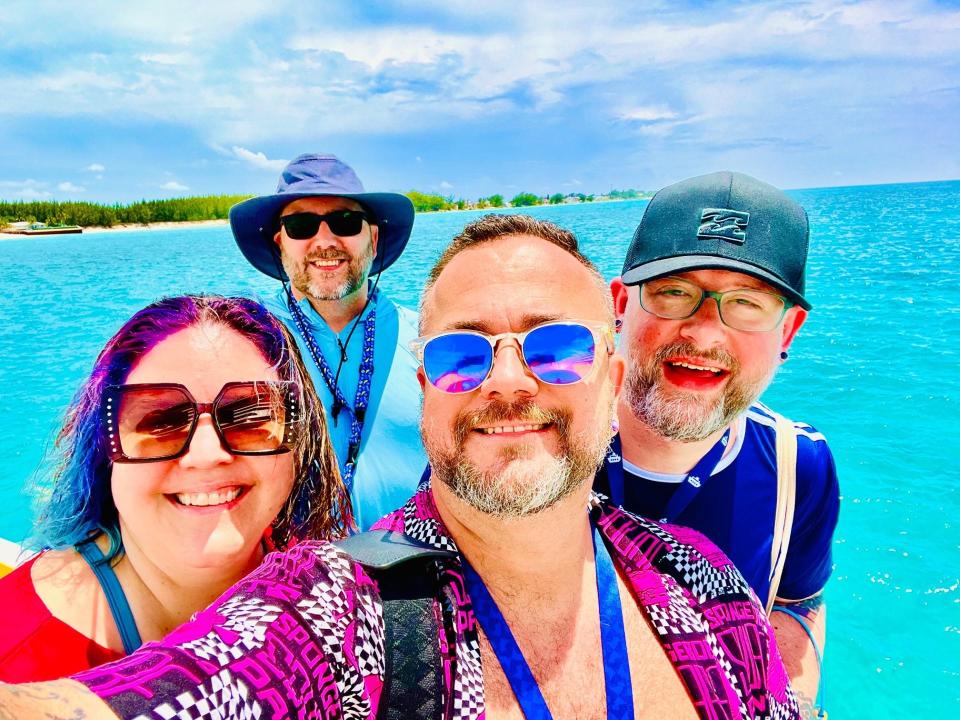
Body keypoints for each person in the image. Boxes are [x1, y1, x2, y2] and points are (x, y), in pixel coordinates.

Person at [0, 216, 799, 719]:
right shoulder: (343, 608)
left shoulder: (704, 583)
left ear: (616, 379)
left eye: (557, 349)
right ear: (426, 393)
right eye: (460, 354)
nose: (509, 381)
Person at [0, 295, 352, 682]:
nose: (206, 454)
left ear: (299, 439)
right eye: (161, 421)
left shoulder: (331, 593)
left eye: (249, 414)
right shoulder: (18, 662)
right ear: (104, 449)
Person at [600, 171, 840, 710]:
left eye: (747, 303)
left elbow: (798, 601)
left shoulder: (798, 465)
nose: (704, 332)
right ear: (620, 304)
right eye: (673, 292)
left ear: (788, 332)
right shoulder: (541, 439)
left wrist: (788, 703)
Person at [230, 153, 426, 529]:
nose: (325, 241)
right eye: (301, 225)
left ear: (374, 235)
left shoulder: (426, 337)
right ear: (280, 243)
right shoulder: (245, 338)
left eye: (345, 221)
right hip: (294, 576)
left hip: (417, 568)